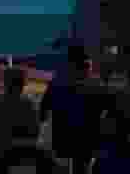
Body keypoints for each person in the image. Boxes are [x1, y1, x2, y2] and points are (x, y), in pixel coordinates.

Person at [39, 44, 108, 174]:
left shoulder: (57, 83)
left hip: (62, 139)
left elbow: (43, 111)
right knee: (81, 166)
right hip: (87, 140)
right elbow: (109, 110)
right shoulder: (96, 84)